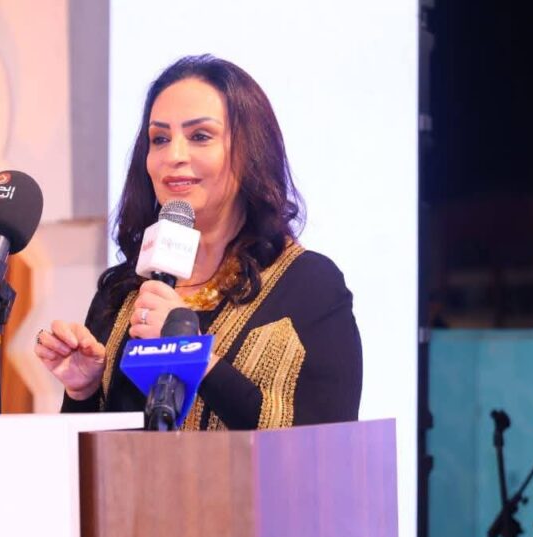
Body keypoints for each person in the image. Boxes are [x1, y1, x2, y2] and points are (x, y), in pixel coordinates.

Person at [34, 54, 362, 430]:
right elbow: (94, 456)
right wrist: (83, 391)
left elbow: (322, 442)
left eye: (200, 136)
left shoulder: (310, 285)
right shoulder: (122, 291)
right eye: (159, 139)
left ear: (251, 151)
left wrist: (189, 353)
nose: (173, 156)